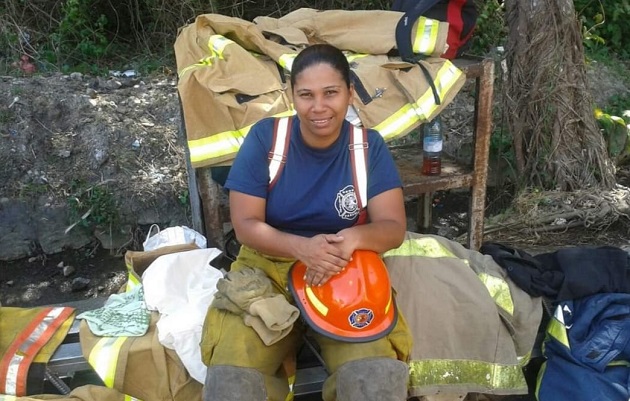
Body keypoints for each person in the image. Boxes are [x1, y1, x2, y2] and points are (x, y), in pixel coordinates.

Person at [200, 43, 413, 401]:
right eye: (306, 95)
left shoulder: (367, 147)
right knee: (231, 382)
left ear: (349, 93)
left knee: (373, 379)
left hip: (343, 269)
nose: (318, 107)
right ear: (291, 96)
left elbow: (392, 227)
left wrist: (348, 240)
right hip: (266, 272)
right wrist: (302, 248)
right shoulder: (267, 140)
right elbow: (246, 224)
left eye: (331, 93)